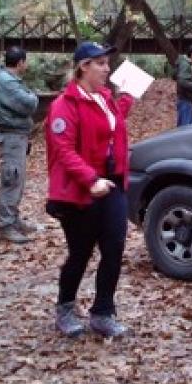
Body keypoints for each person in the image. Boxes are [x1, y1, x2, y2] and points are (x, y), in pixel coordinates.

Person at [45, 42, 136, 338]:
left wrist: (127, 99)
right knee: (80, 253)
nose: (107, 69)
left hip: (112, 184)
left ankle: (103, 312)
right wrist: (90, 179)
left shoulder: (104, 98)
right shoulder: (65, 104)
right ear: (84, 66)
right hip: (81, 191)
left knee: (114, 249)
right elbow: (63, 149)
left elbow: (111, 126)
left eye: (107, 63)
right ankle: (65, 308)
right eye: (101, 63)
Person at [0, 46, 39, 243]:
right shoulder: (7, 82)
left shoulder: (7, 80)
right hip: (11, 136)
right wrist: (34, 97)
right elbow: (28, 104)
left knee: (17, 179)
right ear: (20, 63)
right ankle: (6, 225)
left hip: (16, 136)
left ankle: (13, 219)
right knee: (12, 178)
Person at [175, 44, 192, 126]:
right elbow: (182, 81)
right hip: (185, 100)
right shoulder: (185, 65)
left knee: (189, 127)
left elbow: (180, 77)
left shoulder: (185, 63)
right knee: (186, 129)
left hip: (186, 100)